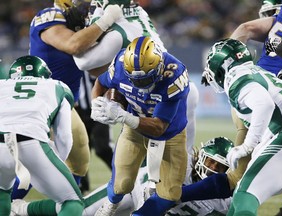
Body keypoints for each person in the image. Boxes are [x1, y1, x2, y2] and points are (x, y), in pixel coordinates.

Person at [73, 0, 199, 193]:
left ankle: (145, 197)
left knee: (157, 159)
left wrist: (98, 23)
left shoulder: (117, 33)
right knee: (180, 168)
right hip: (175, 88)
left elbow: (81, 58)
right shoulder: (136, 14)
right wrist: (97, 102)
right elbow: (100, 76)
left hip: (163, 93)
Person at [11, 0, 124, 199]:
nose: (87, 5)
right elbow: (73, 45)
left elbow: (92, 66)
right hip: (41, 101)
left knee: (79, 154)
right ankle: (11, 201)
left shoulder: (77, 24)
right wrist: (105, 21)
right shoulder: (50, 17)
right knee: (38, 163)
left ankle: (73, 198)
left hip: (61, 101)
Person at [90, 36, 190, 216]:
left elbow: (159, 127)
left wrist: (124, 116)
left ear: (159, 68)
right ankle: (110, 205)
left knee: (170, 194)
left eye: (145, 79)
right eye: (134, 80)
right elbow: (101, 82)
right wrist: (96, 103)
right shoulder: (121, 65)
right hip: (134, 130)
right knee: (122, 184)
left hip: (170, 134)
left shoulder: (174, 75)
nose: (139, 84)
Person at [11, 137, 233, 216]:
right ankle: (22, 209)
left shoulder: (223, 197)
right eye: (211, 161)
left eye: (220, 167)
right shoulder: (181, 164)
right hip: (135, 189)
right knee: (80, 210)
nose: (213, 168)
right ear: (201, 156)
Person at [203, 38, 282, 216]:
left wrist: (247, 146)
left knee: (244, 195)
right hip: (280, 132)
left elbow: (264, 104)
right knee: (239, 198)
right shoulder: (256, 71)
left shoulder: (236, 77)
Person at [0, 55, 84, 216]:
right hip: (29, 140)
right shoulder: (57, 86)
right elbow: (64, 136)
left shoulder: (2, 84)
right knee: (72, 201)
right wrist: (54, 162)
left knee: (2, 192)